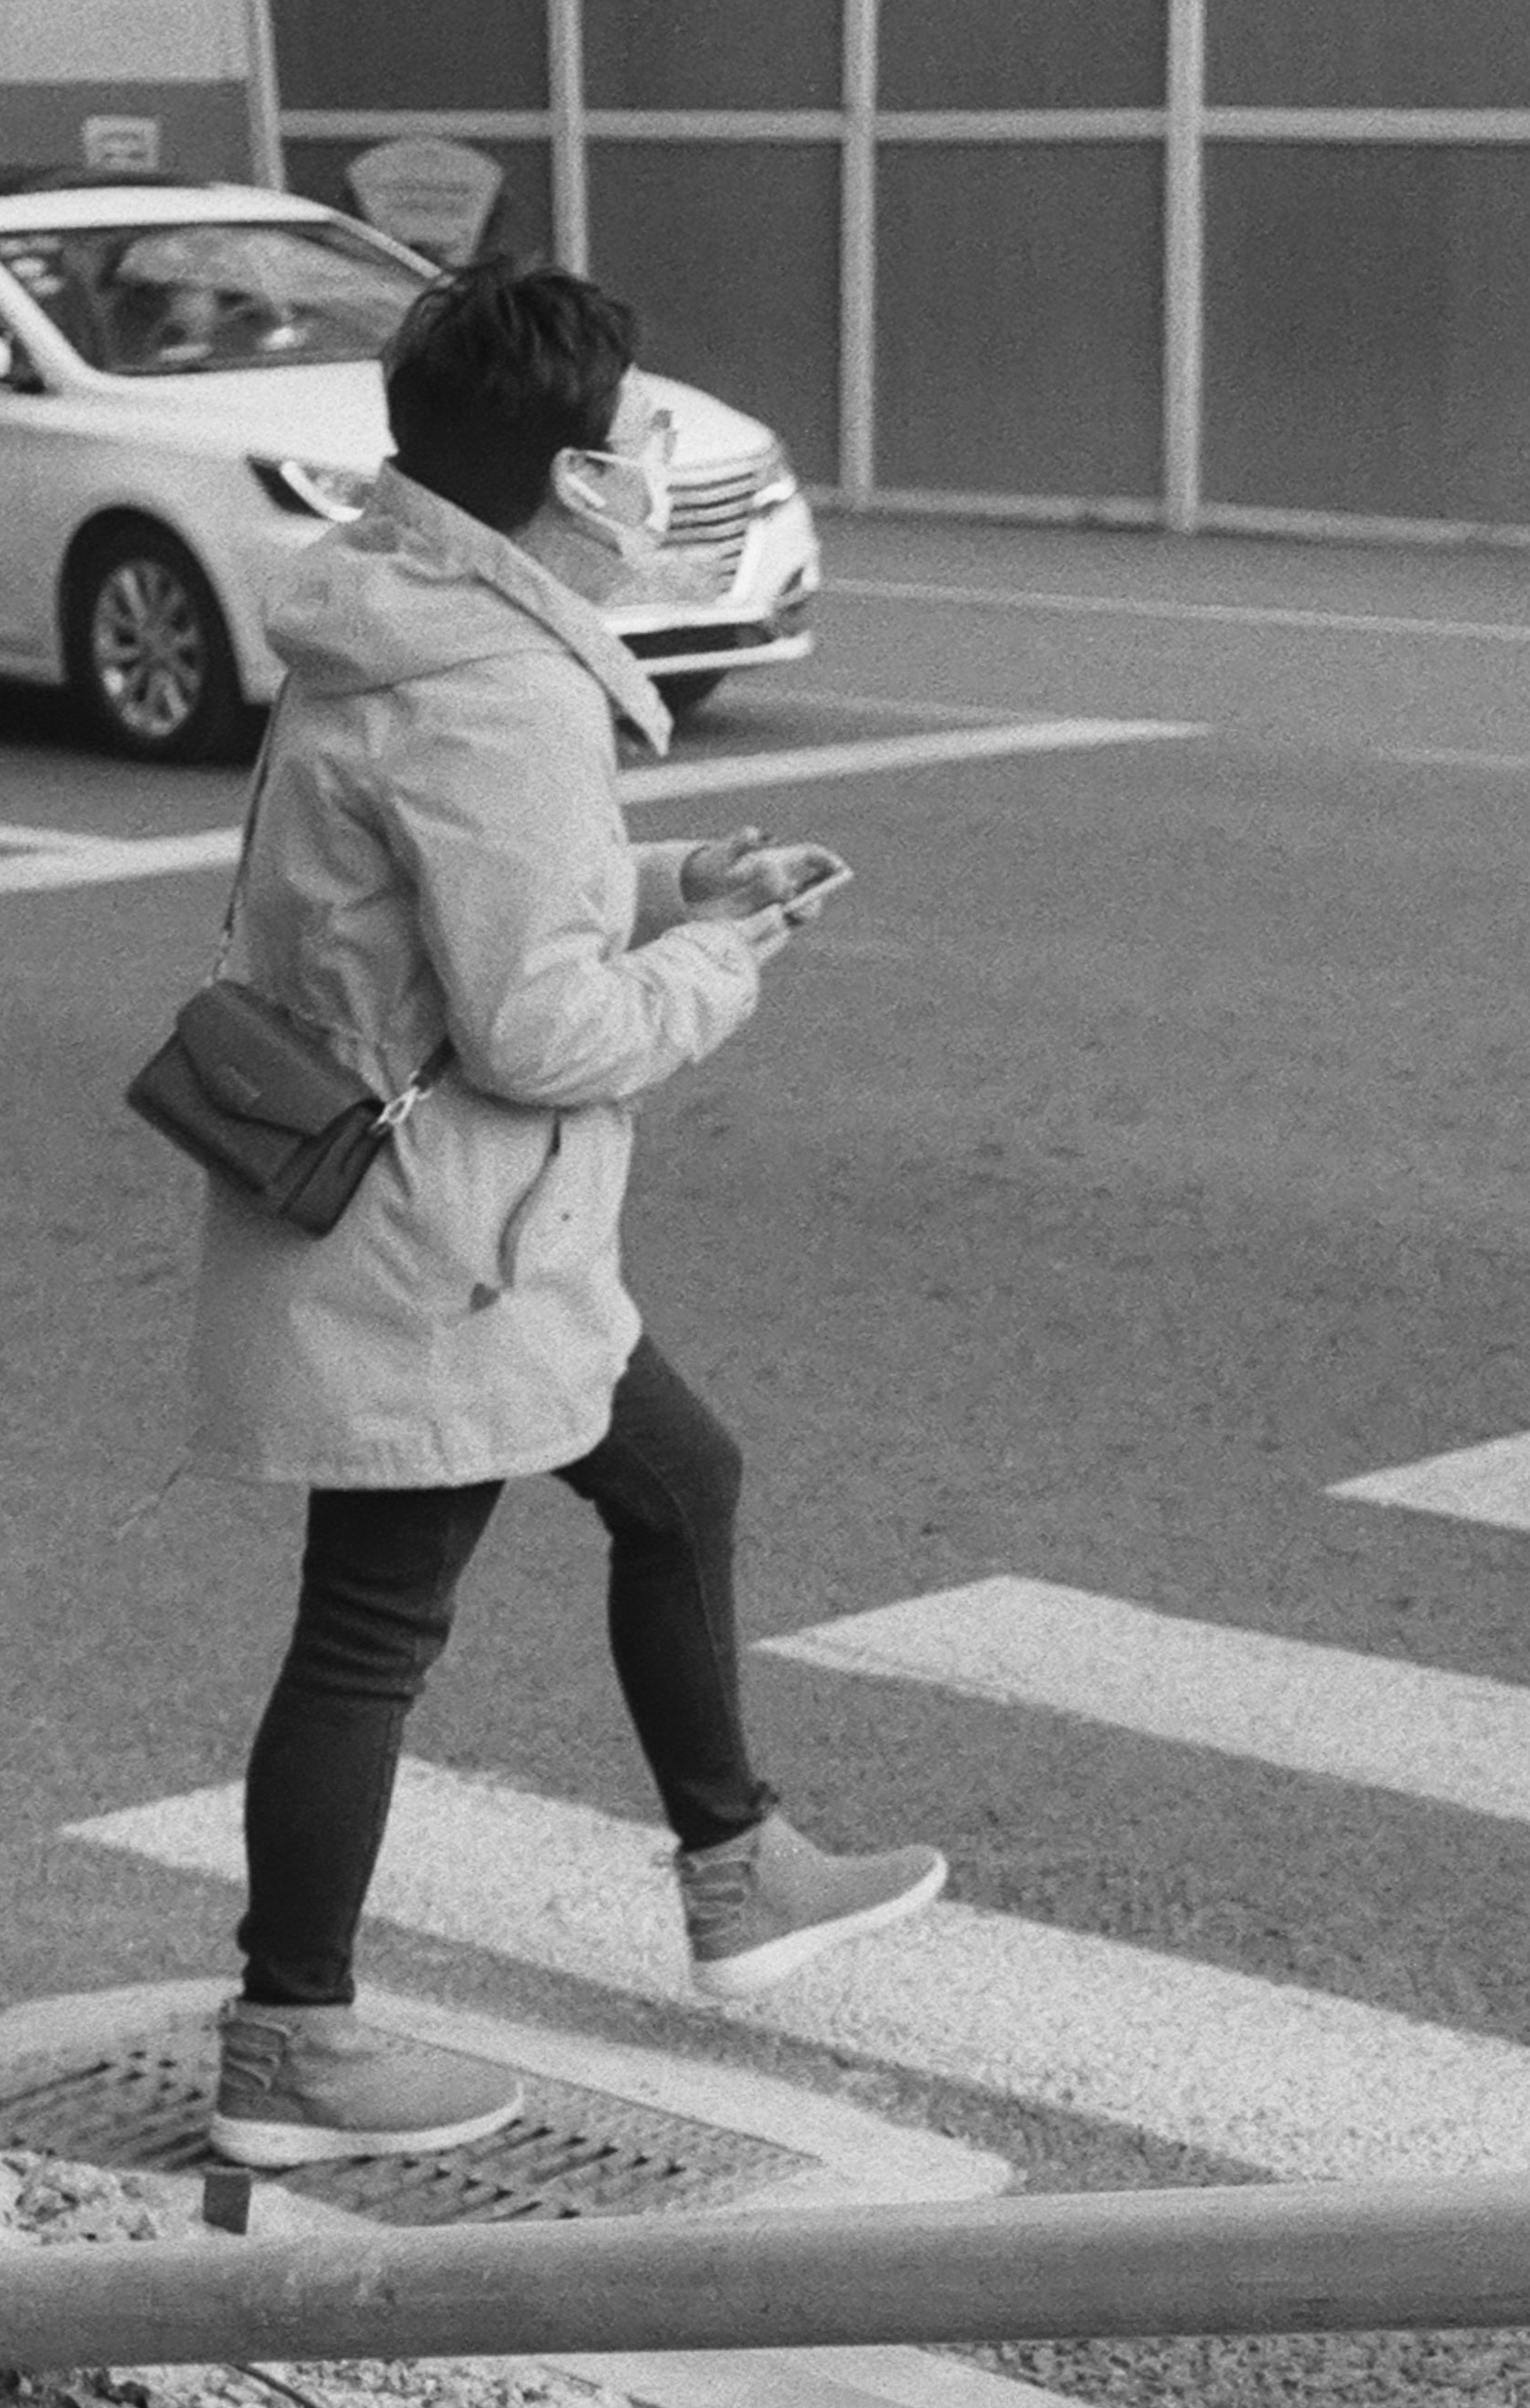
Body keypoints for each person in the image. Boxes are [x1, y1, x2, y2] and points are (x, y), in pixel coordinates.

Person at [184, 259, 944, 2171]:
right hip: (446, 1238)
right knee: (373, 1626)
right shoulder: (503, 687)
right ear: (568, 484)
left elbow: (458, 887)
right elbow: (535, 1022)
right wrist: (725, 958)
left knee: (674, 1480)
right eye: (626, 447)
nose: (646, 474)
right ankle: (290, 2042)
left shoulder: (395, 620)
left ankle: (735, 1865)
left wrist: (685, 867)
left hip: (429, 1213)